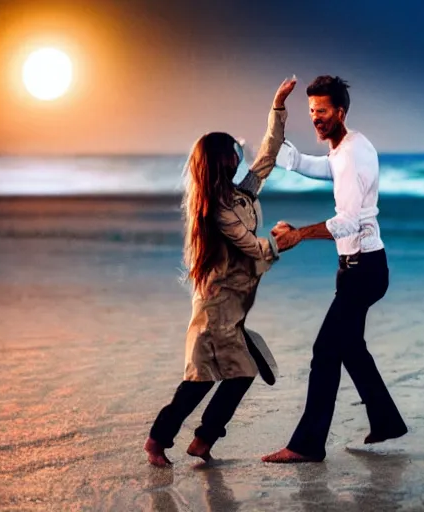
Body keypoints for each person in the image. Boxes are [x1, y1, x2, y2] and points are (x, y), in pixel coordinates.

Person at [144, 77, 297, 467]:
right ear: (219, 161)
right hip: (215, 311)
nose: (238, 156)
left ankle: (199, 441)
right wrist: (285, 239)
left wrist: (277, 107)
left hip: (233, 308)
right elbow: (252, 245)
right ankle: (163, 441)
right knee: (203, 380)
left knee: (228, 375)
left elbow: (267, 155)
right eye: (232, 152)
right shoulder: (217, 209)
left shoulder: (239, 193)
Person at [262, 75, 408, 463]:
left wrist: (297, 235)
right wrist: (280, 123)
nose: (316, 118)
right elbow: (312, 165)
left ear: (339, 111)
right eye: (311, 111)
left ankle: (307, 445)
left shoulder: (351, 155)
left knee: (325, 351)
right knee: (350, 348)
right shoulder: (346, 146)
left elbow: (347, 221)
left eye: (322, 111)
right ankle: (387, 422)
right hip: (361, 268)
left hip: (363, 270)